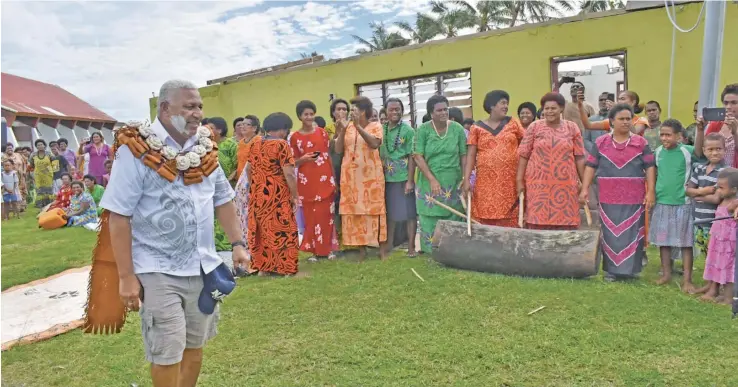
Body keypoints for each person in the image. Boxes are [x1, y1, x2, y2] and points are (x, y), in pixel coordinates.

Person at [100, 80, 247, 387]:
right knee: (167, 351)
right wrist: (127, 277)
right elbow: (118, 216)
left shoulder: (206, 150)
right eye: (189, 107)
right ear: (164, 109)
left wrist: (237, 243)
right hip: (157, 268)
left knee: (195, 345)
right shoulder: (137, 151)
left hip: (203, 265)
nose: (197, 113)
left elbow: (223, 199)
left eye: (199, 106)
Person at [580, 104, 656, 281]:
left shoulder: (640, 143)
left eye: (628, 118)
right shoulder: (601, 143)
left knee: (633, 231)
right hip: (608, 195)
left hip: (634, 195)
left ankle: (631, 271)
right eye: (621, 119)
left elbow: (650, 167)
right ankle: (611, 271)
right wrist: (584, 189)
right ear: (612, 121)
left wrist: (650, 191)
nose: (625, 122)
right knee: (610, 232)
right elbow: (591, 166)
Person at [517, 92, 585, 230]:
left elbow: (579, 157)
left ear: (561, 109)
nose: (549, 111)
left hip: (565, 185)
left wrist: (584, 184)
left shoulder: (572, 127)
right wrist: (519, 180)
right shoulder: (534, 127)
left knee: (566, 226)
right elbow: (523, 155)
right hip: (538, 185)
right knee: (537, 223)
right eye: (546, 108)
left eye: (553, 108)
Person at [246, 112, 300, 276]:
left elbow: (248, 169)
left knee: (263, 232)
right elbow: (289, 174)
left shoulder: (255, 144)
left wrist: (256, 185)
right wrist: (295, 195)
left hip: (258, 194)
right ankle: (285, 268)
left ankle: (264, 268)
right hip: (277, 194)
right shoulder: (281, 144)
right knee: (283, 229)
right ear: (283, 129)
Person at [413, 95, 467, 254]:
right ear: (431, 114)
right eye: (439, 110)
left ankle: (454, 250)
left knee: (454, 214)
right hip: (429, 181)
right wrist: (432, 179)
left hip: (453, 181)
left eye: (446, 109)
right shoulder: (423, 130)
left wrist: (464, 178)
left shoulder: (457, 129)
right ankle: (432, 251)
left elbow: (464, 155)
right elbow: (417, 156)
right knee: (431, 216)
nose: (444, 112)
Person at [335, 96, 386, 260]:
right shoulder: (347, 127)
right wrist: (342, 129)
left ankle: (380, 248)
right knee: (354, 211)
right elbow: (337, 149)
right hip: (350, 177)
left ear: (363, 111)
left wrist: (357, 126)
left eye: (354, 109)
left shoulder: (375, 126)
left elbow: (374, 144)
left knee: (373, 209)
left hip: (371, 177)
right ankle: (361, 249)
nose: (351, 112)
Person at [463, 90, 524, 227]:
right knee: (484, 218)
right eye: (502, 103)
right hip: (485, 183)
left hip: (510, 182)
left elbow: (525, 146)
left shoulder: (513, 123)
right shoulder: (476, 127)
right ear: (491, 106)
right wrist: (466, 179)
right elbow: (471, 155)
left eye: (507, 103)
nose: (506, 106)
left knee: (511, 219)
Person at [650, 119, 697, 292]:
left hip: (683, 203)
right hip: (662, 203)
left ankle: (687, 279)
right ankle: (666, 274)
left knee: (686, 243)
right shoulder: (658, 152)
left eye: (668, 135)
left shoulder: (687, 151)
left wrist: (700, 129)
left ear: (679, 136)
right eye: (662, 134)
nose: (664, 138)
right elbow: (653, 173)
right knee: (664, 241)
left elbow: (700, 152)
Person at [290, 100, 338, 262]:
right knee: (311, 217)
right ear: (300, 117)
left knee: (326, 215)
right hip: (306, 181)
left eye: (312, 114)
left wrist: (334, 179)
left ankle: (328, 249)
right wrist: (302, 159)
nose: (309, 117)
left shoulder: (323, 133)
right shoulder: (295, 138)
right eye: (306, 114)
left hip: (325, 178)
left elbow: (328, 156)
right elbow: (291, 162)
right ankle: (315, 251)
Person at [686, 133, 726, 293]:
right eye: (710, 149)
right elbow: (688, 190)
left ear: (725, 150)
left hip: (715, 222)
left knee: (715, 254)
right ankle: (711, 284)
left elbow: (717, 198)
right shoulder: (699, 168)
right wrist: (704, 191)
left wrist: (700, 194)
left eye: (718, 149)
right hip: (699, 219)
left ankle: (714, 287)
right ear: (704, 150)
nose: (714, 153)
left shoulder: (725, 171)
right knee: (706, 253)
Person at [380, 98, 417, 257]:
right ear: (386, 112)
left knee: (409, 214)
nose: (395, 112)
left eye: (398, 109)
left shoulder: (408, 131)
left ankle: (411, 247)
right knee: (390, 213)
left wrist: (410, 180)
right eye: (391, 109)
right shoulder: (381, 129)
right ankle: (389, 244)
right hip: (386, 179)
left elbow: (412, 157)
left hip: (403, 178)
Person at [700, 168, 738, 303]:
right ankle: (714, 290)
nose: (718, 190)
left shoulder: (734, 203)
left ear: (734, 190)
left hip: (728, 244)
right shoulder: (723, 200)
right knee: (716, 264)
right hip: (718, 241)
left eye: (721, 188)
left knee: (728, 268)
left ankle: (728, 298)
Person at [326, 98, 349, 243]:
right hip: (333, 168)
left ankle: (349, 237)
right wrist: (339, 130)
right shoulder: (328, 129)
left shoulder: (353, 126)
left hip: (350, 168)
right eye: (338, 109)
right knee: (335, 203)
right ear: (333, 112)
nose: (342, 112)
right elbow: (329, 148)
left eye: (344, 109)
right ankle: (336, 238)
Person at [699, 84, 738, 167]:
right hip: (714, 175)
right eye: (726, 103)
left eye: (734, 103)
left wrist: (735, 133)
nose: (728, 107)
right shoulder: (716, 125)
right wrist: (700, 130)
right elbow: (700, 153)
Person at [578, 90, 649, 135]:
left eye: (623, 99)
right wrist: (580, 106)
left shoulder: (641, 120)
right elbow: (588, 125)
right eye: (618, 99)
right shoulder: (612, 121)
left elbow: (634, 132)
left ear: (633, 102)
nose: (619, 102)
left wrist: (620, 111)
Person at [30, 139, 55, 208]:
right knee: (40, 190)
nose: (40, 146)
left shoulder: (49, 154)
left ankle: (49, 205)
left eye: (41, 144)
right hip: (38, 176)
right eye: (38, 145)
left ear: (44, 146)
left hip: (48, 175)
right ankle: (40, 205)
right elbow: (31, 165)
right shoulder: (33, 155)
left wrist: (55, 172)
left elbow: (55, 163)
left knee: (48, 190)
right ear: (36, 147)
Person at [236, 115, 261, 180]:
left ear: (254, 128)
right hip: (241, 179)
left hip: (254, 179)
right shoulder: (241, 142)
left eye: (247, 124)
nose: (243, 126)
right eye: (242, 124)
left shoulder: (259, 141)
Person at [3, 143, 27, 210]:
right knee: (15, 191)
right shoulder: (3, 157)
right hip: (10, 177)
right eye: (8, 148)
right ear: (5, 150)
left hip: (21, 176)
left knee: (23, 190)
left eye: (11, 148)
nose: (10, 149)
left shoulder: (18, 155)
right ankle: (16, 207)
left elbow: (25, 163)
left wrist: (24, 171)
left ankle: (22, 205)